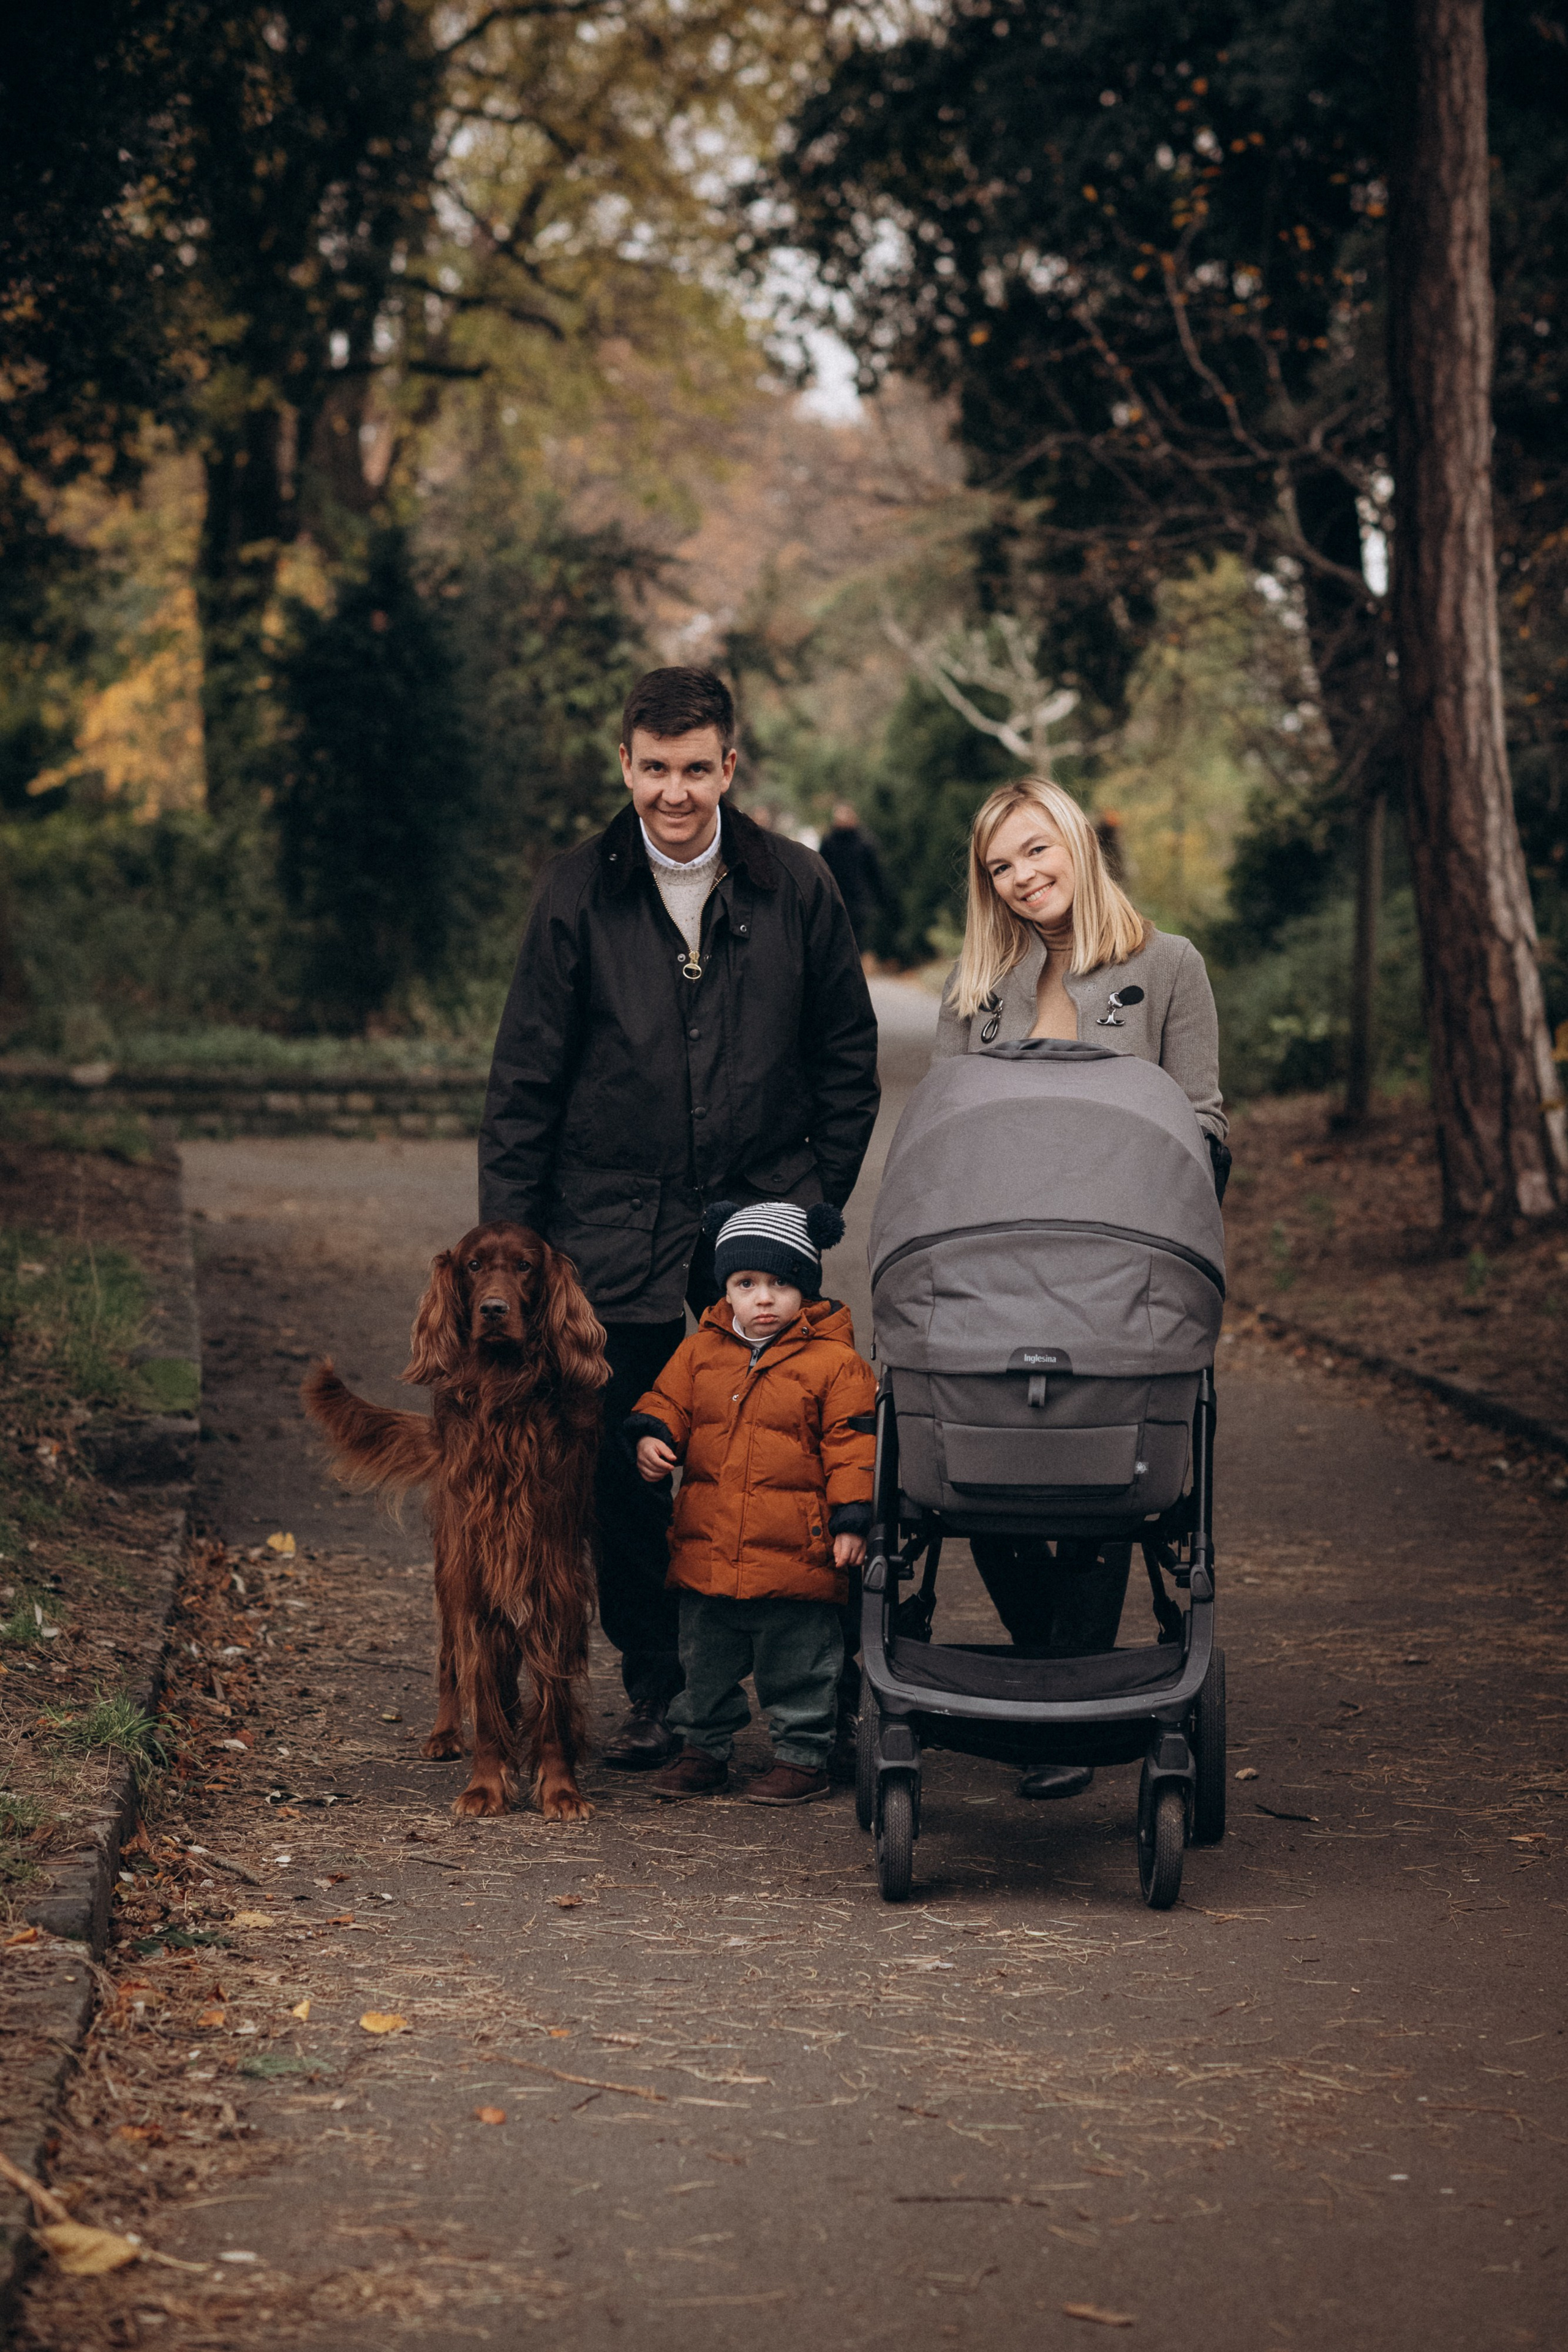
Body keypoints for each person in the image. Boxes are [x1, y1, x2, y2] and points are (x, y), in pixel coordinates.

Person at [478, 668, 880, 1769]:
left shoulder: (796, 887)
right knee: (631, 1470)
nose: (674, 791)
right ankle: (661, 1689)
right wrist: (508, 1265)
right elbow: (523, 1087)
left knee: (791, 1453)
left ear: (729, 768)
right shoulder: (576, 893)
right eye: (654, 769)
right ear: (625, 765)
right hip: (603, 1234)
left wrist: (814, 1204)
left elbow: (849, 1060)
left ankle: (811, 1692)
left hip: (757, 1227)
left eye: (695, 769)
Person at [933, 774, 1229, 1801]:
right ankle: (1064, 1683)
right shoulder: (977, 989)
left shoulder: (1170, 966)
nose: (1020, 878)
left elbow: (1206, 1119)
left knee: (1111, 1462)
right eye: (999, 867)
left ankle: (1058, 1703)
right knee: (973, 1460)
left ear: (1073, 841)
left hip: (1122, 1274)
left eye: (1033, 851)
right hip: (999, 1271)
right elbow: (942, 1134)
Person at [625, 1200, 875, 1804]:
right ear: (725, 1291)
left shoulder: (836, 1364)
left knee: (800, 1662)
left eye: (781, 1284)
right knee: (703, 1660)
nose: (764, 1298)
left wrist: (851, 1519)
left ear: (807, 1290)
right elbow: (666, 1403)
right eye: (746, 1284)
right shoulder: (699, 1354)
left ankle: (803, 1756)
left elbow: (854, 1445)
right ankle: (703, 1749)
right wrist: (652, 1438)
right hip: (710, 1549)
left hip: (797, 1553)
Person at [818, 801, 892, 951]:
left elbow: (875, 873)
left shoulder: (865, 842)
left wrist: (882, 900)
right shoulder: (828, 843)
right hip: (836, 899)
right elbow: (821, 872)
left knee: (857, 943)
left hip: (860, 902)